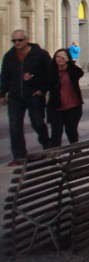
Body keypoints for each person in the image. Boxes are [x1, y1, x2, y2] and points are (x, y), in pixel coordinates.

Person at [2, 29, 53, 164]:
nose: (17, 43)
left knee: (37, 122)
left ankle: (47, 145)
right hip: (15, 96)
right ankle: (19, 156)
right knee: (14, 126)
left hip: (34, 94)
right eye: (14, 41)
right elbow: (5, 76)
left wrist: (42, 89)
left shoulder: (40, 54)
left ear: (26, 39)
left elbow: (50, 74)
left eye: (19, 40)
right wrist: (2, 93)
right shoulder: (9, 56)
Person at [46, 48, 85, 147]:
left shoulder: (72, 71)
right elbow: (44, 84)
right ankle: (55, 156)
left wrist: (69, 64)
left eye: (63, 57)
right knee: (56, 133)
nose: (59, 59)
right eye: (57, 57)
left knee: (71, 131)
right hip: (56, 107)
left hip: (73, 106)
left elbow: (80, 73)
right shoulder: (51, 71)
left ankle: (75, 152)